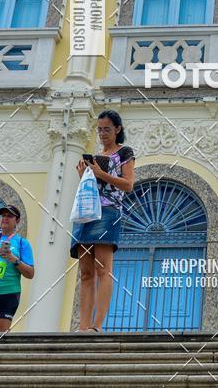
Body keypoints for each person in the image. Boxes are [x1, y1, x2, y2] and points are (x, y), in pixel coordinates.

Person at [70, 110, 135, 332]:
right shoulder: (97, 156)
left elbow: (128, 185)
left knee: (102, 270)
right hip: (86, 212)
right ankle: (83, 326)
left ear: (118, 129)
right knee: (86, 273)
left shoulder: (124, 153)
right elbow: (94, 186)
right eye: (99, 129)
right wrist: (85, 176)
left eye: (107, 129)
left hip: (108, 212)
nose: (102, 133)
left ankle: (97, 325)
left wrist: (100, 173)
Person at [0, 204, 34, 332]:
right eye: (3, 215)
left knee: (1, 333)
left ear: (17, 221)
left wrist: (12, 258)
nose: (5, 218)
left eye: (9, 216)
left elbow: (30, 273)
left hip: (8, 292)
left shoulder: (22, 243)